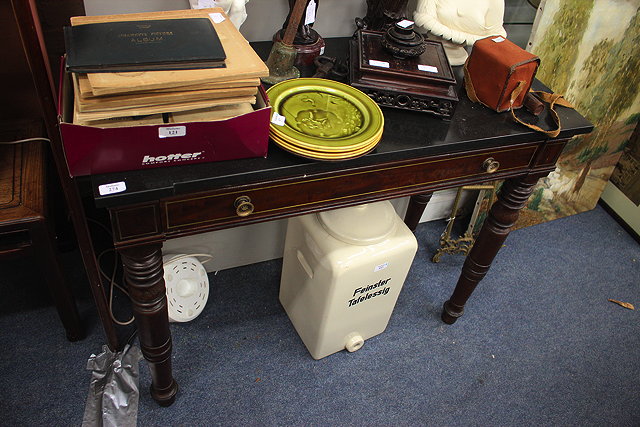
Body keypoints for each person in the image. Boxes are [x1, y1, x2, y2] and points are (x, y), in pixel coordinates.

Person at [413, 0, 507, 65]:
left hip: (462, 60)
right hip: (430, 52)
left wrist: (458, 37)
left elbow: (496, 34)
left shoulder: (495, 2)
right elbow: (423, 17)